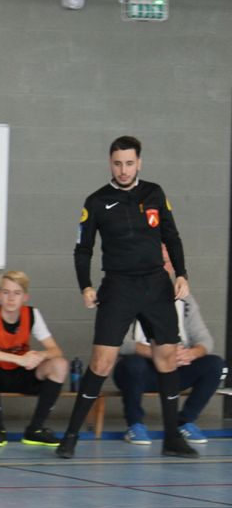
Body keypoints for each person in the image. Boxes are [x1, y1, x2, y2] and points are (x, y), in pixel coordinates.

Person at [56, 135, 197, 459]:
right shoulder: (96, 201)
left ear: (139, 163)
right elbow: (83, 249)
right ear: (110, 163)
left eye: (129, 163)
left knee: (167, 358)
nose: (123, 170)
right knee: (101, 361)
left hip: (156, 285)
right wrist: (85, 286)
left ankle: (172, 438)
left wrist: (181, 274)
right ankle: (71, 437)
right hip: (118, 286)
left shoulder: (155, 193)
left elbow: (172, 236)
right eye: (118, 163)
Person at [113, 248, 226, 445]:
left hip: (176, 368)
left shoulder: (185, 300)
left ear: (172, 266)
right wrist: (160, 353)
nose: (161, 265)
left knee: (215, 365)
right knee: (132, 365)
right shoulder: (129, 296)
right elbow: (119, 343)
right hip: (143, 370)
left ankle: (185, 422)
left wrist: (192, 353)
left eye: (165, 261)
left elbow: (205, 341)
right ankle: (135, 425)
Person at [0, 270, 68, 447]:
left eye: (17, 293)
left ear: (25, 297)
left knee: (60, 364)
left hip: (19, 373)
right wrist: (18, 359)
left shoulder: (32, 314)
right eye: (6, 292)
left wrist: (40, 355)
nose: (11, 298)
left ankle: (35, 429)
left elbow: (56, 350)